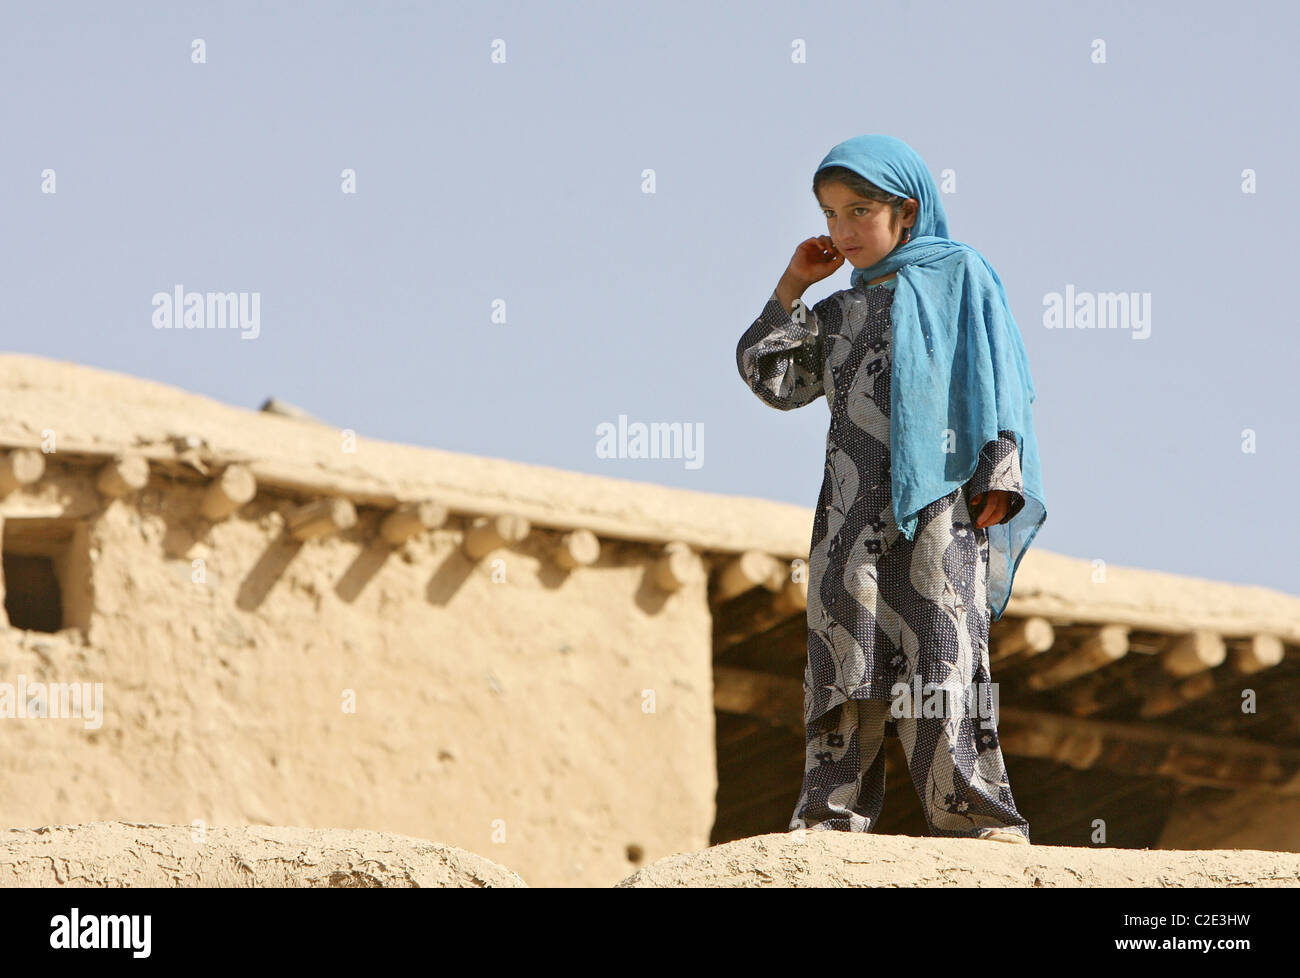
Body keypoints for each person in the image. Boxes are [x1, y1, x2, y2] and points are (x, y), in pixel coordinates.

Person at [735, 134, 1047, 844]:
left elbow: (996, 369)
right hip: (849, 515)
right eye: (830, 213)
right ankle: (829, 816)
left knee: (945, 652)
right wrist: (791, 288)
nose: (842, 231)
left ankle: (975, 818)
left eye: (860, 211)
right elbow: (777, 381)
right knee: (847, 655)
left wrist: (999, 470)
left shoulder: (960, 274)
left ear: (906, 211)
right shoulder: (840, 311)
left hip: (939, 503)